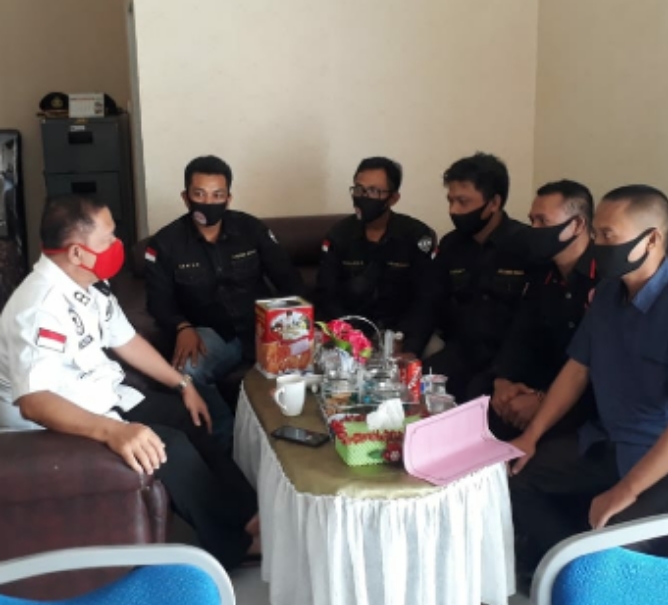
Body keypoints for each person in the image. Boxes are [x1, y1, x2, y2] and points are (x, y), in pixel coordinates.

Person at [0, 195, 260, 571]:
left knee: (190, 416)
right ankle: (233, 545)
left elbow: (126, 340)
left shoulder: (90, 284)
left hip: (101, 396)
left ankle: (251, 516)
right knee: (168, 446)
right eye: (107, 239)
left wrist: (184, 384)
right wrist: (114, 432)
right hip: (53, 424)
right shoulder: (39, 307)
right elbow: (35, 402)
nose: (117, 245)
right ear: (77, 252)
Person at [509, 185, 668, 570]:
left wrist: (627, 489)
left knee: (613, 540)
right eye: (596, 233)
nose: (597, 244)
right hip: (608, 439)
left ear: (651, 239)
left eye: (608, 235)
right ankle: (566, 567)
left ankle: (587, 573)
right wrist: (531, 436)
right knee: (517, 478)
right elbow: (577, 369)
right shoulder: (608, 294)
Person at [145, 155, 304, 446]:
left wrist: (299, 325)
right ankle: (231, 441)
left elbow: (288, 280)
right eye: (200, 194)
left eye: (217, 195)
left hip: (265, 329)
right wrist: (181, 327)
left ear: (228, 198)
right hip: (213, 334)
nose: (209, 202)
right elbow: (158, 301)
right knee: (188, 370)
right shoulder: (166, 243)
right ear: (185, 197)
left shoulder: (251, 230)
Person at [491, 180, 597, 440]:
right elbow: (521, 333)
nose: (534, 230)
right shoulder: (542, 273)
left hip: (586, 400)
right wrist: (504, 381)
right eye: (532, 221)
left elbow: (597, 366)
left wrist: (543, 400)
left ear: (577, 225)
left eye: (542, 221)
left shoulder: (606, 279)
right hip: (539, 382)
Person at [425, 152, 529, 402]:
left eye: (463, 202)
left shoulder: (525, 245)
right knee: (416, 387)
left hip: (508, 361)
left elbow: (529, 324)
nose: (453, 210)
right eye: (451, 201)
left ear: (494, 203)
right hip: (461, 352)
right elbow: (429, 300)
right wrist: (409, 348)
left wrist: (503, 373)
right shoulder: (451, 245)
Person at [315, 157, 437, 358]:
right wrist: (350, 336)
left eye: (373, 191)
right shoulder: (339, 235)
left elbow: (426, 299)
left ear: (393, 198)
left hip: (403, 332)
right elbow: (327, 295)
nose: (363, 197)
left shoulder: (415, 236)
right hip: (350, 333)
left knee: (435, 354)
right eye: (359, 190)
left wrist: (408, 343)